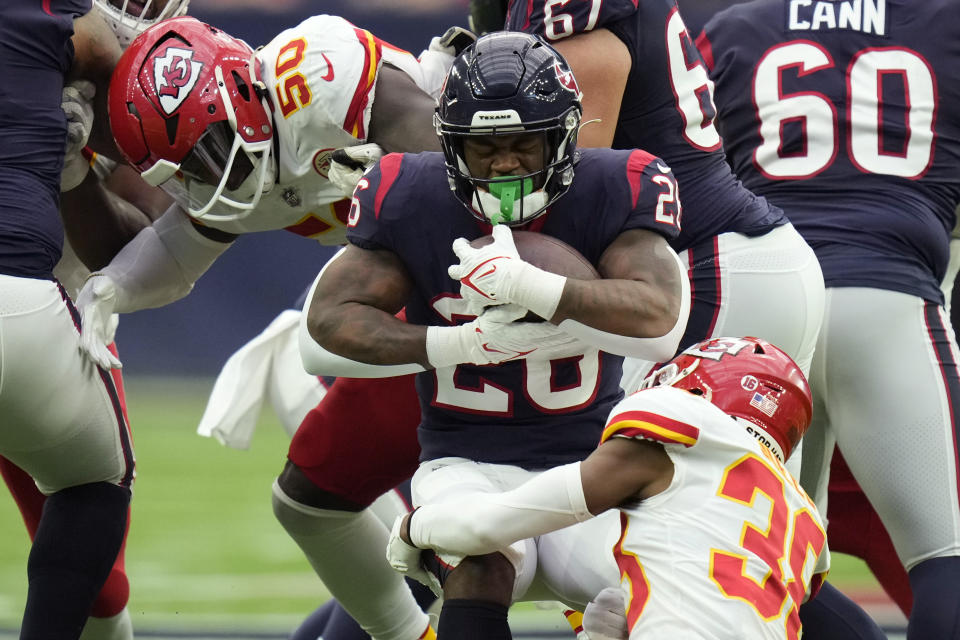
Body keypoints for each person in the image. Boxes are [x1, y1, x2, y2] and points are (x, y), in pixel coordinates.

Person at [75, 13, 468, 640]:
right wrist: (110, 288)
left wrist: (389, 189)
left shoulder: (317, 72)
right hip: (424, 297)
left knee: (311, 382)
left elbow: (460, 173)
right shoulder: (236, 160)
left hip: (484, 273)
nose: (210, 175)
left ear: (245, 94)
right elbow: (176, 254)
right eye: (189, 167)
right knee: (318, 484)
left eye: (209, 150)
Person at [300, 31, 689, 639]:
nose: (504, 164)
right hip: (464, 462)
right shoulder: (413, 194)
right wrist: (456, 346)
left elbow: (658, 313)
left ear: (562, 136)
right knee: (478, 561)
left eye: (522, 144)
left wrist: (536, 289)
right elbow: (331, 318)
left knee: (652, 592)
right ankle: (432, 539)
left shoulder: (615, 183)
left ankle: (420, 533)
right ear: (451, 146)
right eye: (483, 148)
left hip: (590, 464)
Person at [696, 1, 960, 638]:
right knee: (948, 561)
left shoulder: (731, 30)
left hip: (766, 302)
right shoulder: (947, 25)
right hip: (888, 296)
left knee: (773, 568)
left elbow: (673, 169)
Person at [387, 337, 828, 640]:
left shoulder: (684, 422)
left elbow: (490, 527)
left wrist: (412, 530)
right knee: (614, 603)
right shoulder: (806, 518)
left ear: (696, 386)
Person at [0, 1, 135, 638]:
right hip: (22, 313)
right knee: (95, 488)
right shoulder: (63, 24)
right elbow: (102, 45)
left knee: (105, 592)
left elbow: (136, 240)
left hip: (49, 321)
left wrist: (80, 165)